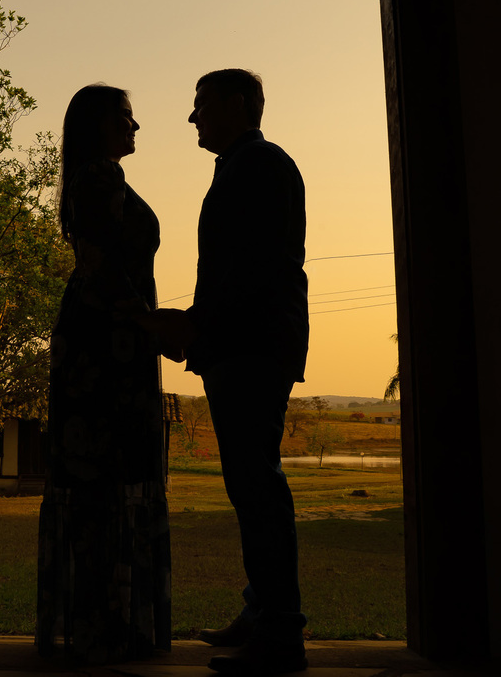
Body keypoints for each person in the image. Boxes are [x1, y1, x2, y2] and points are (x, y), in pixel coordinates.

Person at [148, 69, 309, 675]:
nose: (193, 118)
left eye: (202, 104)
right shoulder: (245, 167)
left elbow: (251, 270)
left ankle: (280, 633)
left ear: (239, 104)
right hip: (246, 343)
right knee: (249, 485)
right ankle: (261, 611)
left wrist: (193, 325)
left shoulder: (260, 165)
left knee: (256, 486)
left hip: (254, 346)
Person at [35, 84, 172, 665]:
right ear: (96, 125)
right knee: (108, 478)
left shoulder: (93, 177)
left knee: (101, 483)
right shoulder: (101, 177)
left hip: (106, 341)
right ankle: (105, 624)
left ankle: (100, 621)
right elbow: (101, 266)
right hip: (107, 347)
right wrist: (148, 322)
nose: (135, 127)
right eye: (124, 117)